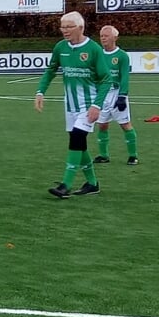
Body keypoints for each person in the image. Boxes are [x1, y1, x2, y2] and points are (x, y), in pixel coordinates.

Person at [34, 12, 113, 198]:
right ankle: (93, 183)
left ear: (81, 27)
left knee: (77, 137)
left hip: (89, 104)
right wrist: (40, 91)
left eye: (69, 26)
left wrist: (97, 105)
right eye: (62, 26)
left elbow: (106, 79)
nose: (64, 30)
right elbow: (51, 69)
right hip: (70, 105)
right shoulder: (60, 47)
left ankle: (65, 185)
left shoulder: (93, 49)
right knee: (80, 144)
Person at [92, 25, 139, 166]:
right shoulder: (97, 54)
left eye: (106, 36)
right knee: (102, 125)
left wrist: (122, 96)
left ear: (115, 37)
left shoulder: (122, 56)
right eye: (101, 36)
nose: (103, 38)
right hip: (102, 94)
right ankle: (104, 155)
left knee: (125, 124)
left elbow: (124, 77)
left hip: (116, 93)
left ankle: (133, 156)